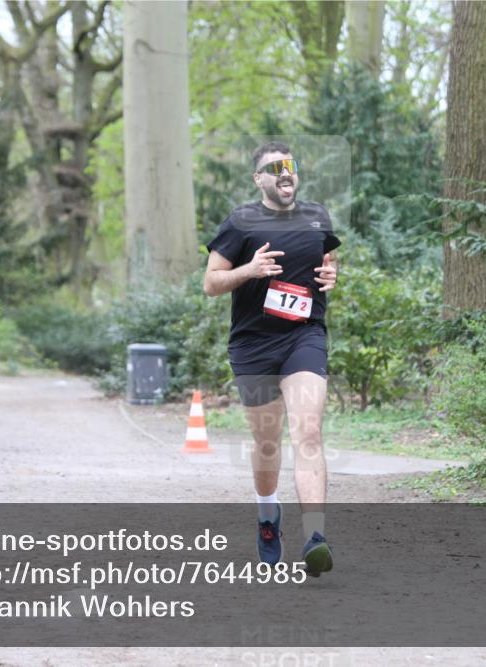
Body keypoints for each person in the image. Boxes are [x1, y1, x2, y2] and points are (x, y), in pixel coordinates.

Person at [204, 142, 340, 576]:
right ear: (259, 179)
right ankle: (267, 515)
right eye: (274, 168)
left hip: (304, 336)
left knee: (309, 431)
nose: (285, 173)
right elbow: (211, 282)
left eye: (291, 166)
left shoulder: (317, 216)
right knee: (267, 443)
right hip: (254, 344)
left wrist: (331, 274)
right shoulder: (240, 222)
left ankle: (315, 537)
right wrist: (250, 270)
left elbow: (328, 261)